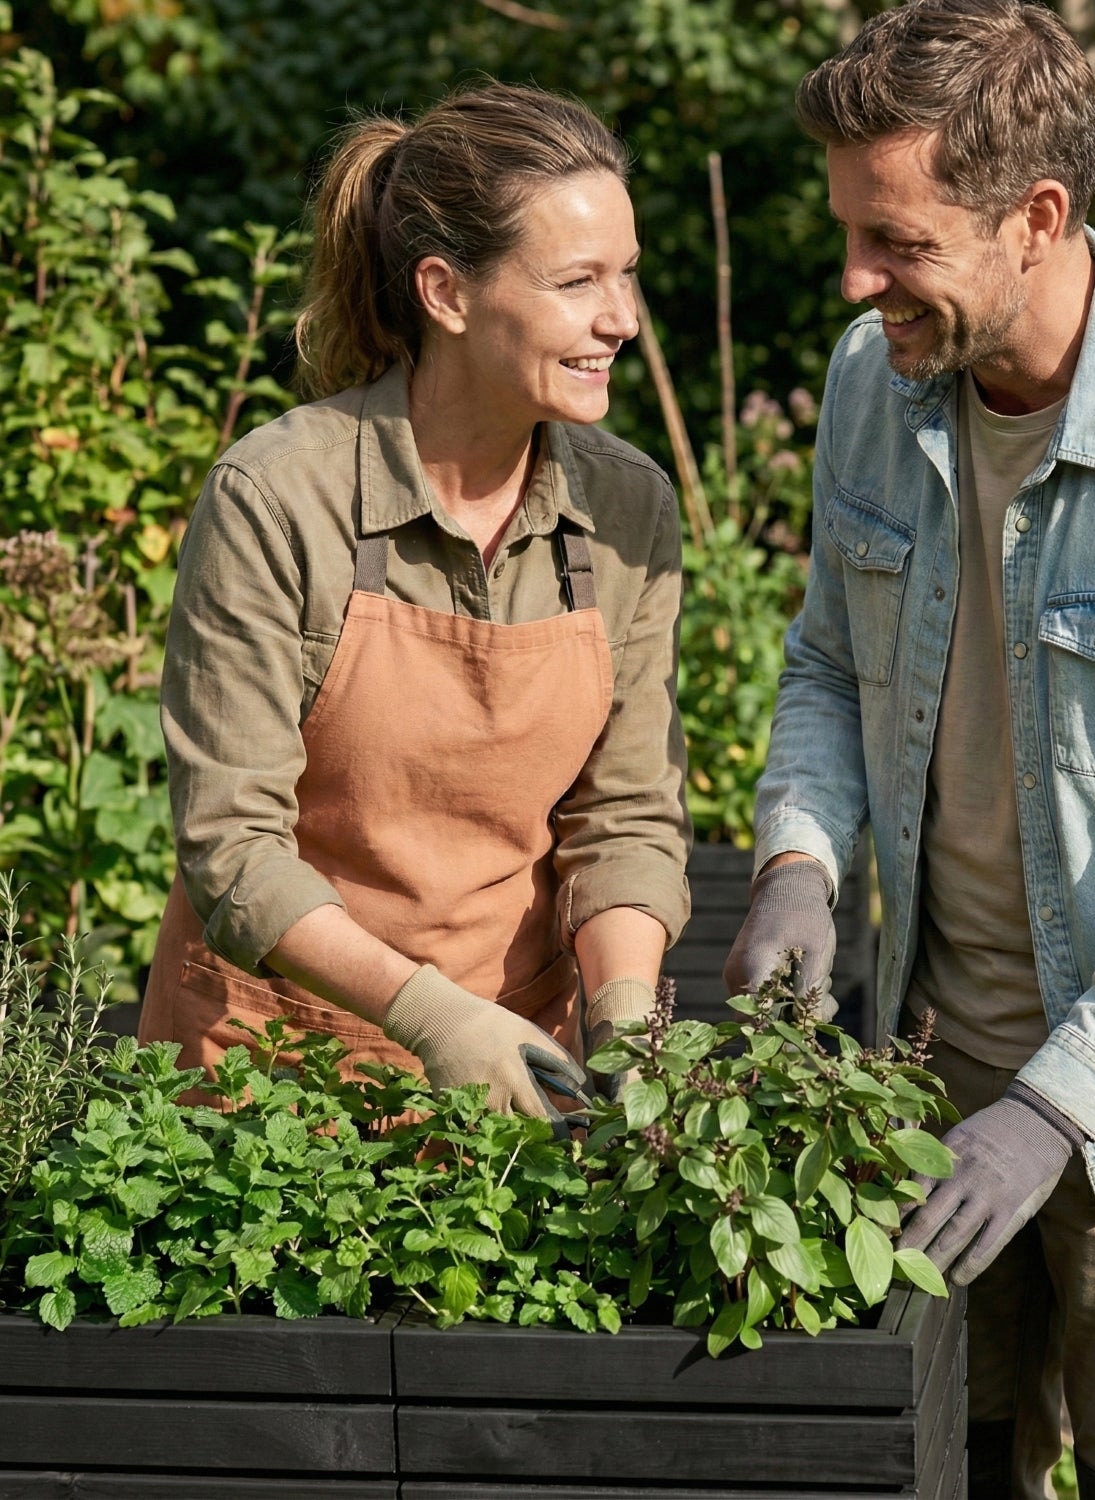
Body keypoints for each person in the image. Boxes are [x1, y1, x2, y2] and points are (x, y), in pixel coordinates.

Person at [723, 3, 1095, 1495]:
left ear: (1038, 217)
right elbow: (822, 662)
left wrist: (1053, 1110)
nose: (859, 285)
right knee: (957, 1464)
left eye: (898, 243)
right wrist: (801, 856)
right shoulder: (878, 383)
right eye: (851, 234)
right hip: (935, 1072)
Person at [141, 82, 691, 1132]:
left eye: (626, 275)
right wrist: (435, 1020)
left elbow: (621, 815)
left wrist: (622, 1025)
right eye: (576, 281)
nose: (620, 318)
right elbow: (234, 846)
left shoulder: (627, 510)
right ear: (446, 292)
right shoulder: (280, 496)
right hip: (261, 1088)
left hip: (517, 1087)